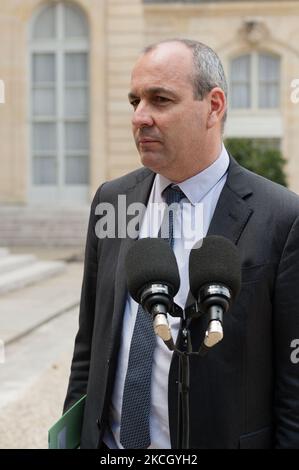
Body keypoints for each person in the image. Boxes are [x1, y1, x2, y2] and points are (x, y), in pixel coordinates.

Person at [63, 39, 299, 449]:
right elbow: (90, 343)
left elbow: (294, 388)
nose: (140, 117)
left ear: (214, 106)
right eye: (135, 101)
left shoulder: (282, 217)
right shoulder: (111, 202)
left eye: (160, 100)